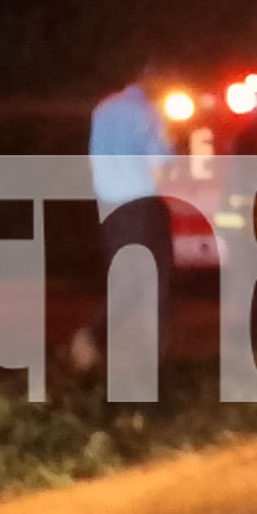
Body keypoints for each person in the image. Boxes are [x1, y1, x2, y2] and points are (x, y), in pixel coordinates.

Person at [71, 62, 176, 373]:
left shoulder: (103, 108)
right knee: (157, 280)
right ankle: (153, 361)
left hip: (110, 207)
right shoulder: (151, 115)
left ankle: (91, 338)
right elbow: (160, 168)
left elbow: (92, 163)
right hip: (141, 206)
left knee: (126, 281)